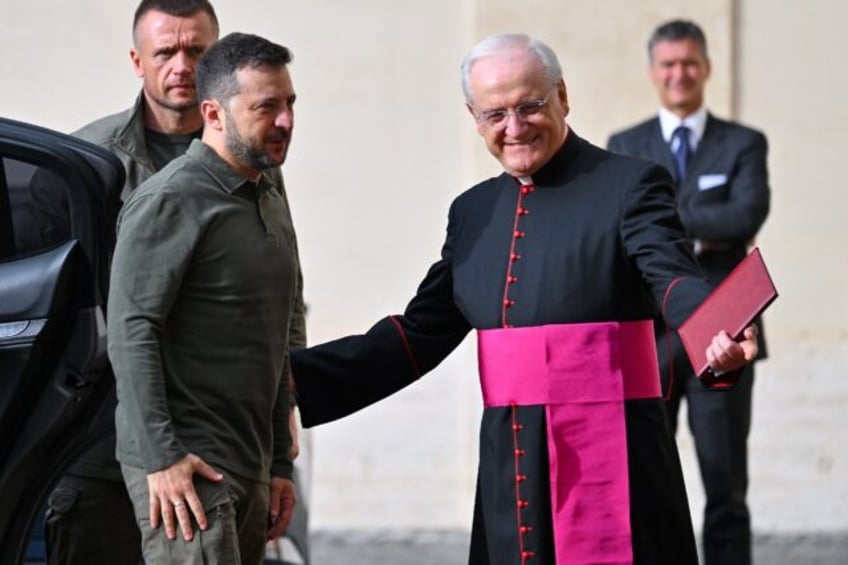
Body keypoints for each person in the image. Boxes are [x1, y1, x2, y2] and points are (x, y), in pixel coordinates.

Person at [289, 33, 759, 564]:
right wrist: (288, 381)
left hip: (616, 458)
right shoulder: (474, 212)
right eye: (495, 114)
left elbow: (672, 278)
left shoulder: (630, 185)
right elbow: (417, 336)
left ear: (562, 95)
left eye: (530, 105)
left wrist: (712, 329)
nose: (514, 128)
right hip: (512, 462)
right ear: (473, 116)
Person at [107, 31, 302, 564]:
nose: (284, 119)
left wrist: (279, 464)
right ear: (214, 113)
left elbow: (276, 332)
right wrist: (162, 457)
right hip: (189, 472)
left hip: (250, 462)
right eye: (266, 107)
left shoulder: (266, 192)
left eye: (289, 103)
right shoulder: (172, 199)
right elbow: (131, 330)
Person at [41, 2, 222, 563]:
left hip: (210, 421)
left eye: (198, 50)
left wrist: (286, 401)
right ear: (137, 60)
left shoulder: (245, 154)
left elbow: (282, 283)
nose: (182, 65)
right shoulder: (86, 159)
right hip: (96, 430)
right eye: (166, 51)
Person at [607, 19, 769, 565]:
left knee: (725, 484)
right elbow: (617, 229)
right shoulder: (625, 147)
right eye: (669, 64)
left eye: (689, 63)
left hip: (726, 331)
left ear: (706, 68)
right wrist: (705, 222)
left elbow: (749, 213)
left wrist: (660, 221)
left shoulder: (744, 143)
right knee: (643, 477)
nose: (680, 74)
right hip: (649, 335)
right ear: (654, 72)